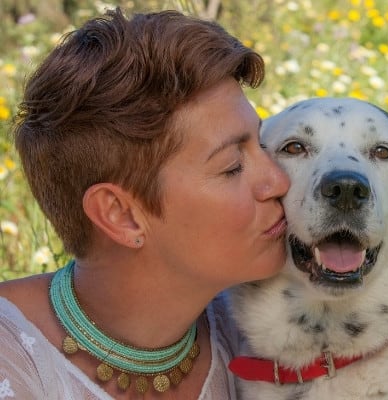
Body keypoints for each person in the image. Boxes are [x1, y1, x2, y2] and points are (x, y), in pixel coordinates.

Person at [0, 7, 289, 399]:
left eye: (264, 144)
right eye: (233, 166)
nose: (279, 180)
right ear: (121, 215)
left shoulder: (268, 324)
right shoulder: (14, 364)